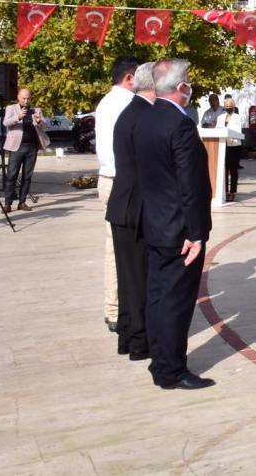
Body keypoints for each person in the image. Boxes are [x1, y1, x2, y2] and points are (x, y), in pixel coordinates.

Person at [134, 58, 214, 390]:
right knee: (176, 302)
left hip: (154, 223)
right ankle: (171, 370)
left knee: (157, 297)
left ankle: (161, 361)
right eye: (189, 81)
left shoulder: (144, 119)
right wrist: (196, 233)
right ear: (181, 87)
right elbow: (190, 184)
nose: (191, 86)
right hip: (179, 230)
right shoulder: (179, 125)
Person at [105, 62, 155, 362]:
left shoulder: (129, 110)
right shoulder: (141, 115)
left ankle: (127, 335)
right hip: (134, 207)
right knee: (137, 278)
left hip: (123, 203)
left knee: (128, 277)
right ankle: (138, 341)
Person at [95, 55, 139, 332]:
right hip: (122, 181)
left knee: (117, 246)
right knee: (121, 249)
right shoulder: (127, 104)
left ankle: (117, 308)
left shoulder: (106, 102)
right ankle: (116, 310)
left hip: (110, 178)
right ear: (129, 78)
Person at [2, 88, 49, 211]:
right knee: (12, 174)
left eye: (28, 98)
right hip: (17, 146)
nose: (26, 100)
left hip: (31, 147)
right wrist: (18, 116)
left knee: (27, 176)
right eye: (24, 98)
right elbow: (6, 123)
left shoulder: (36, 110)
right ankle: (7, 203)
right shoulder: (11, 108)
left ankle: (22, 202)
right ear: (18, 97)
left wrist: (39, 121)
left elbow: (44, 125)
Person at [221, 94, 241, 201]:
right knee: (224, 169)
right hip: (223, 146)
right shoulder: (220, 117)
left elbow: (237, 131)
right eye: (226, 106)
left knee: (233, 169)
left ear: (233, 106)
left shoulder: (237, 117)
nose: (228, 107)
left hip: (234, 146)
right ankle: (225, 191)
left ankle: (233, 191)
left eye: (230, 106)